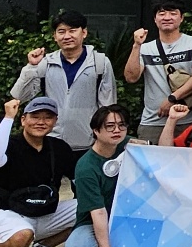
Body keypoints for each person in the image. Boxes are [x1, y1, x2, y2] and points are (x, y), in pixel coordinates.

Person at [0, 97, 76, 247]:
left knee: (95, 210)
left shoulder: (59, 148)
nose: (41, 122)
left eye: (48, 117)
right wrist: (8, 117)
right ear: (23, 120)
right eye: (35, 117)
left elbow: (78, 180)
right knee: (22, 235)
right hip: (4, 215)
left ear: (55, 121)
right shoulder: (8, 145)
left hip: (43, 211)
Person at [12, 9, 116, 161]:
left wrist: (104, 139)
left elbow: (108, 106)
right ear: (55, 36)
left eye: (72, 31)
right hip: (51, 141)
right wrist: (31, 66)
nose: (67, 36)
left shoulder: (100, 63)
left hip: (88, 143)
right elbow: (19, 96)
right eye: (61, 32)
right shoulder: (46, 63)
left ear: (84, 33)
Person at [64, 103, 131, 247]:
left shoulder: (126, 145)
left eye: (122, 125)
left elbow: (160, 152)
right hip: (96, 219)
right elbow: (98, 212)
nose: (117, 130)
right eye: (110, 126)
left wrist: (171, 120)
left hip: (127, 215)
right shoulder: (86, 167)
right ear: (96, 131)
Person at [123, 0, 192, 144]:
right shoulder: (145, 48)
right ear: (155, 19)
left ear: (181, 18)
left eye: (173, 13)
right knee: (151, 159)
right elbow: (131, 77)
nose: (167, 17)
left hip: (189, 119)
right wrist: (136, 45)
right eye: (161, 13)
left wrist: (173, 98)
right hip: (153, 122)